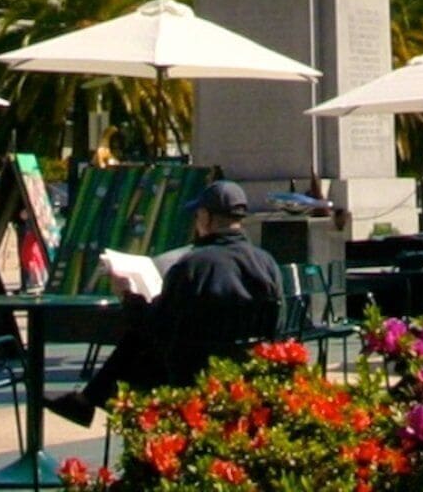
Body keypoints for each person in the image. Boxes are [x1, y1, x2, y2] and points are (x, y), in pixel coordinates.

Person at [53, 182, 283, 427]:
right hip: (249, 372)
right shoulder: (266, 263)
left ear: (205, 217)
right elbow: (278, 323)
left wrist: (129, 297)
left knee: (137, 340)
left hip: (193, 374)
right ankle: (88, 400)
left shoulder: (192, 266)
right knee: (139, 341)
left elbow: (158, 325)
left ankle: (89, 400)